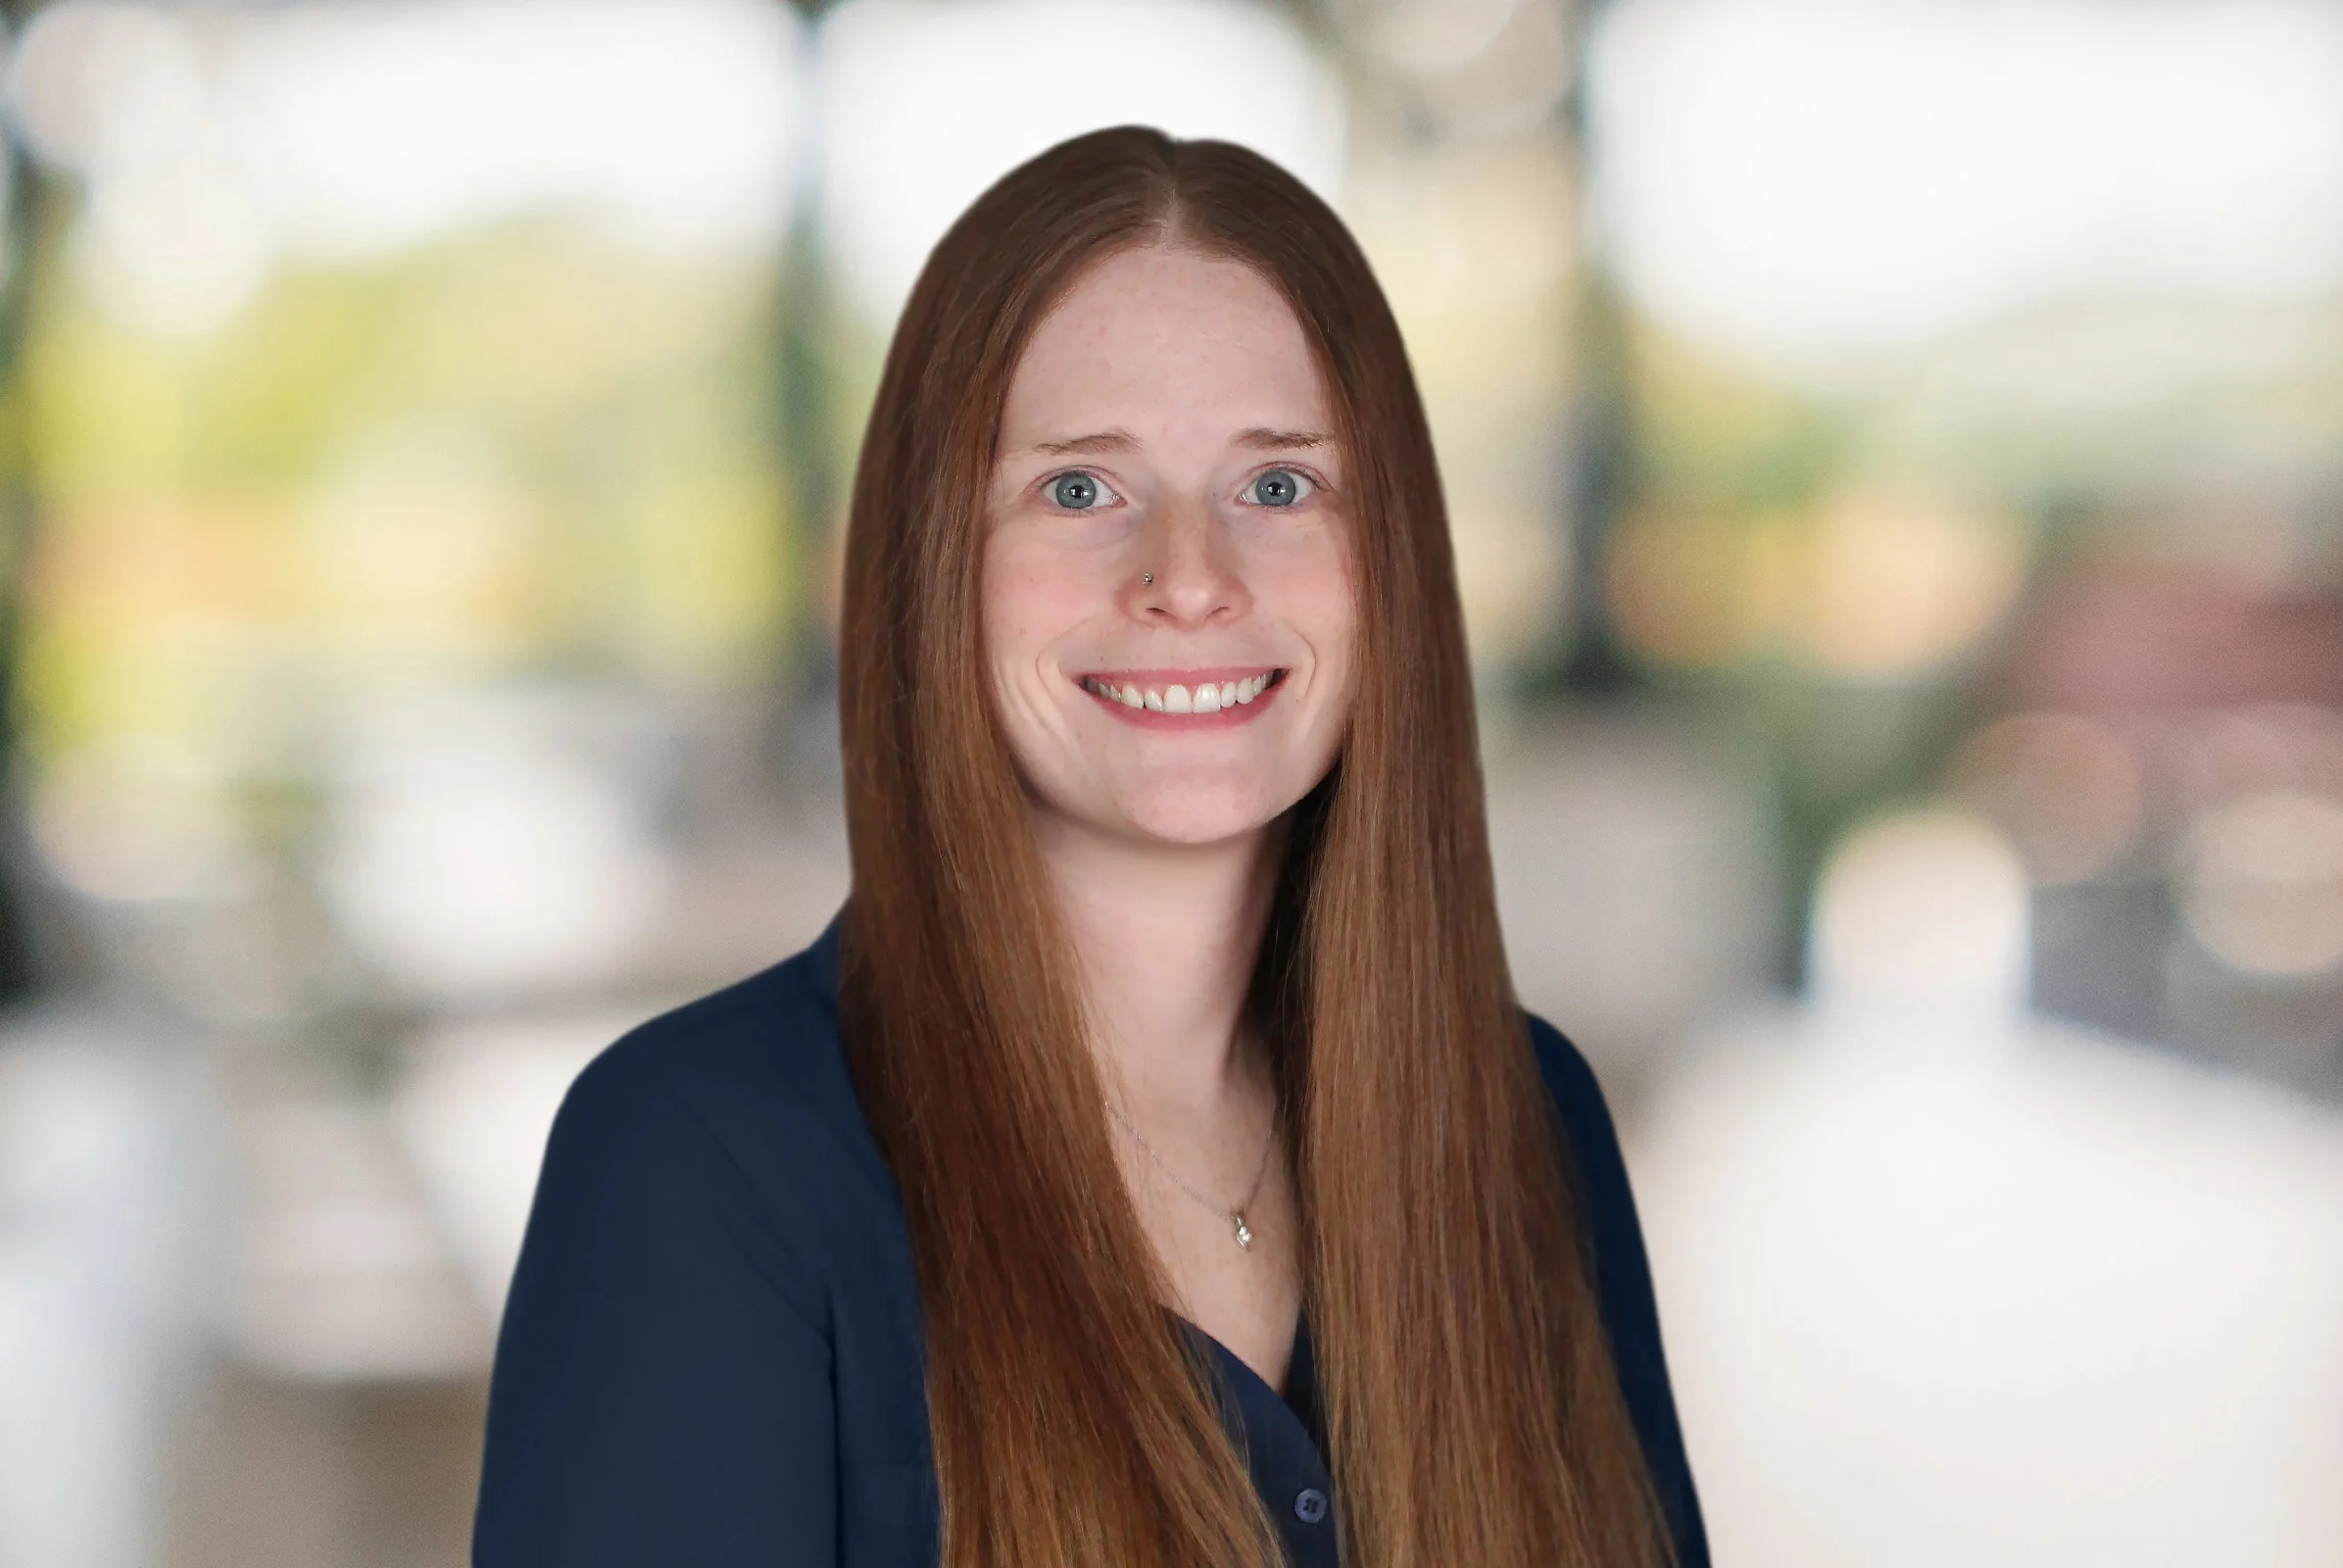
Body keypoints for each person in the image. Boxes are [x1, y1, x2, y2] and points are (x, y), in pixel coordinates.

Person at [470, 126, 1710, 1568]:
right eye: (1078, 489)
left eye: (1279, 485)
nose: (1188, 576)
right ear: (934, 561)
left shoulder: (1525, 1121)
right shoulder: (699, 1165)